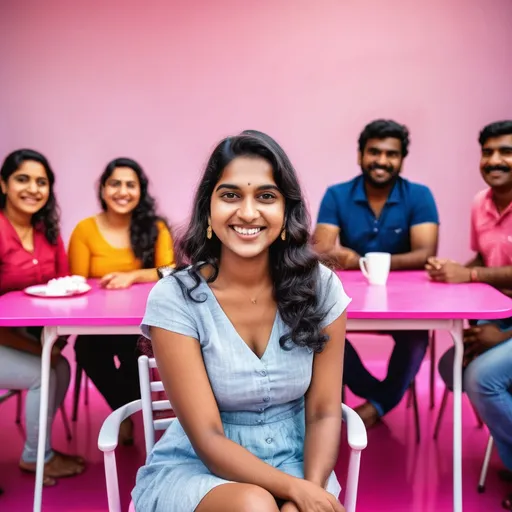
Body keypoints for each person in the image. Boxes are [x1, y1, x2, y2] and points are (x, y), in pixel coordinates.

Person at [133, 131, 350, 512]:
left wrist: (308, 491)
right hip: (198, 468)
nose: (248, 213)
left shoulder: (321, 286)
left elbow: (323, 411)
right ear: (209, 211)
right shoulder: (174, 298)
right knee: (255, 506)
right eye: (230, 195)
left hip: (299, 461)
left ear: (286, 212)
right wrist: (294, 491)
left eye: (266, 196)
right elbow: (209, 437)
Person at [314, 119, 439, 428]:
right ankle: (380, 394)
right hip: (352, 300)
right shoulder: (337, 195)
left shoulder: (420, 195)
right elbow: (320, 248)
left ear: (401, 160)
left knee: (415, 340)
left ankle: (373, 408)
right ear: (360, 155)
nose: (382, 161)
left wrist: (362, 261)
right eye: (374, 152)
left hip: (407, 302)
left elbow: (426, 253)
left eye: (391, 154)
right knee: (322, 333)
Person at [427, 120, 512, 510]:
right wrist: (453, 272)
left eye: (506, 151)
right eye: (489, 151)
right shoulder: (481, 202)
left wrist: (505, 336)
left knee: (482, 377)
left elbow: (480, 269)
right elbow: (485, 257)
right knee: (451, 367)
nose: (495, 160)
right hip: (500, 316)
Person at [68, 157, 174, 444]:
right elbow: (77, 281)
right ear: (102, 189)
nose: (122, 191)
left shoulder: (156, 227)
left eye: (131, 184)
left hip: (141, 322)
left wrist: (134, 276)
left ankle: (124, 413)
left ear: (140, 191)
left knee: (138, 354)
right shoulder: (85, 230)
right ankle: (123, 411)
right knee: (86, 351)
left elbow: (170, 271)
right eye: (115, 183)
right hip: (98, 323)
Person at [0, 149, 85, 486]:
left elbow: (64, 289)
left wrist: (55, 340)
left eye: (42, 182)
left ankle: (39, 452)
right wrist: (40, 349)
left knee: (60, 367)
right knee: (42, 372)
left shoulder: (46, 233)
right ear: (4, 184)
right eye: (23, 179)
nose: (33, 188)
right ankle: (37, 459)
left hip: (31, 338)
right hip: (11, 338)